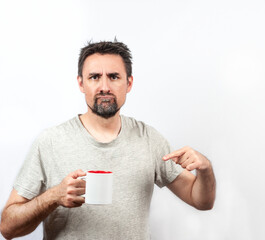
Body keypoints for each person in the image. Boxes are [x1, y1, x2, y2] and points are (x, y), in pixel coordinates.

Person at [0, 40, 216, 240]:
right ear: (81, 83)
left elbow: (201, 200)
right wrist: (52, 197)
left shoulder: (149, 139)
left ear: (129, 83)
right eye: (95, 77)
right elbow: (7, 228)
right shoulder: (50, 142)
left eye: (114, 77)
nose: (104, 86)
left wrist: (205, 169)